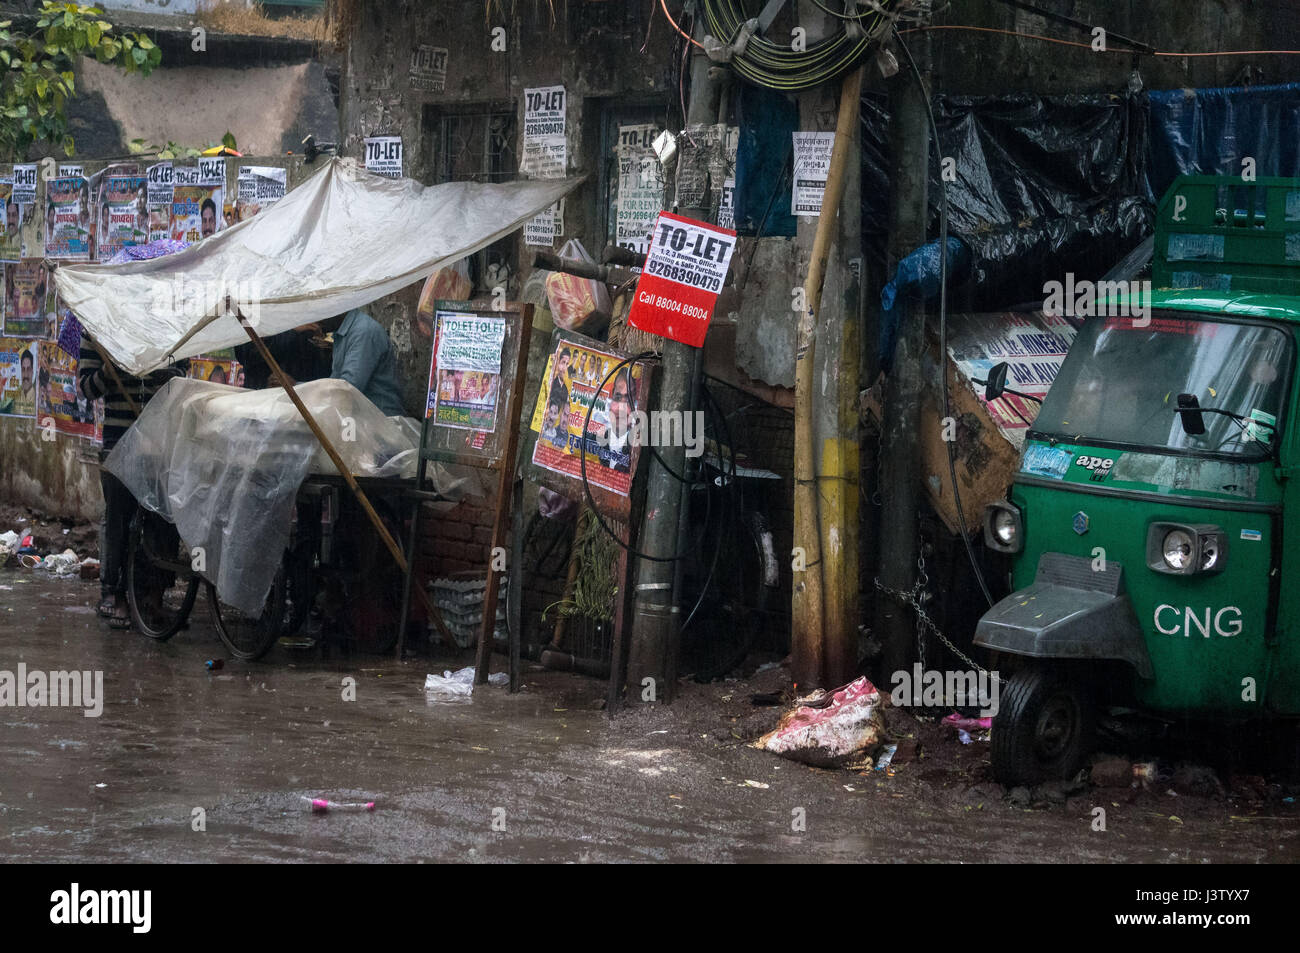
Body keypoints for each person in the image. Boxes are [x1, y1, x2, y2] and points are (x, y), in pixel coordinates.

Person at [78, 336, 186, 630]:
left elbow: (182, 378)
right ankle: (113, 593)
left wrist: (164, 374)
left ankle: (154, 595)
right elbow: (87, 388)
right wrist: (111, 369)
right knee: (119, 518)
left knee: (163, 518)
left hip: (158, 442)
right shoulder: (98, 333)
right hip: (119, 441)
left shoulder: (166, 329)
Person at [321, 308, 404, 416]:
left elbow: (349, 387)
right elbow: (335, 382)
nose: (316, 321)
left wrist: (306, 392)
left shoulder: (364, 331)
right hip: (362, 418)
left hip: (380, 420)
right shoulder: (342, 334)